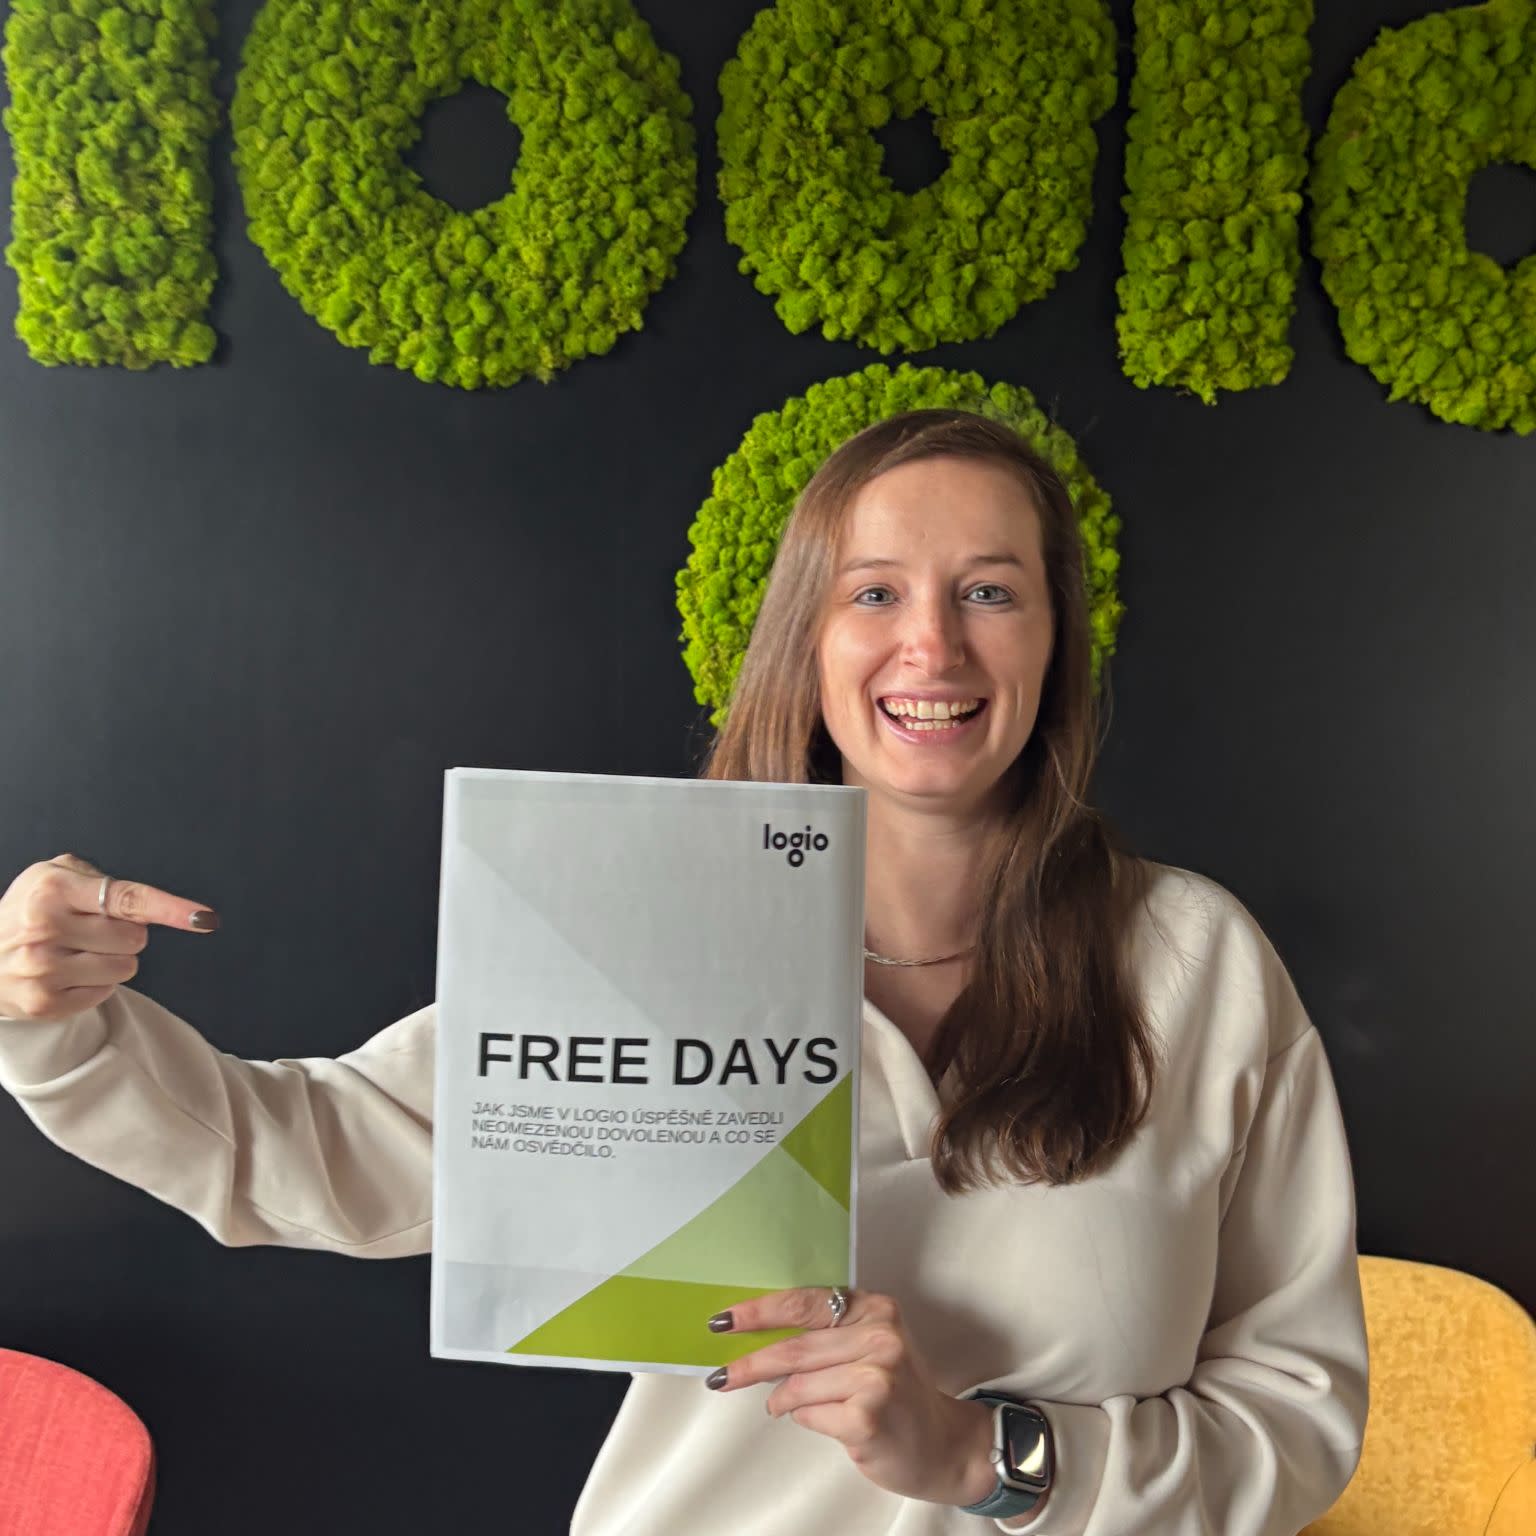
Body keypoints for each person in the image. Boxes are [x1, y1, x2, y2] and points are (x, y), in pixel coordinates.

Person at [0, 410, 1368, 1535]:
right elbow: (296, 1151)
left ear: (1055, 638)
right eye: (875, 592)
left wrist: (984, 1457)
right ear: (807, 639)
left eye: (990, 592)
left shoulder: (1198, 963)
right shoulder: (660, 936)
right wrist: (60, 1025)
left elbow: (1299, 1416)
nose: (933, 646)